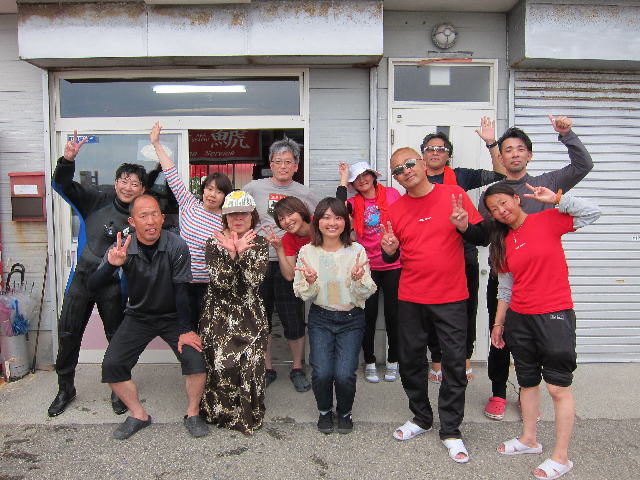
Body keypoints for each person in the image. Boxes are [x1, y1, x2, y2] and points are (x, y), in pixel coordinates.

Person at [456, 183, 600, 480]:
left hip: (554, 314)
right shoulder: (502, 241)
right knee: (528, 382)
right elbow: (506, 288)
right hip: (520, 319)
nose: (501, 211)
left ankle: (561, 457)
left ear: (516, 198)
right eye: (494, 209)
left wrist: (558, 199)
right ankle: (529, 440)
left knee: (557, 387)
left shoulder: (547, 220)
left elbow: (592, 213)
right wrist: (499, 324)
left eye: (503, 203)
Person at [475, 115, 594, 422]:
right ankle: (498, 392)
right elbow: (484, 234)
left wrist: (567, 134)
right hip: (505, 275)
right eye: (507, 150)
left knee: (538, 340)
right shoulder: (493, 193)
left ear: (529, 154)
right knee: (499, 334)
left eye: (520, 149)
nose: (514, 154)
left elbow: (583, 165)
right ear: (500, 157)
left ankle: (527, 392)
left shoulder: (547, 183)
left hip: (541, 279)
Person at [380, 147, 483, 463]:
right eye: (398, 170)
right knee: (411, 361)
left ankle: (451, 429)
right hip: (411, 297)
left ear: (424, 164)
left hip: (451, 297)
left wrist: (465, 226)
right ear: (396, 179)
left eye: (410, 163)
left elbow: (483, 236)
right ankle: (421, 417)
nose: (405, 171)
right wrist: (388, 251)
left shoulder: (454, 195)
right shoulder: (395, 210)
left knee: (454, 363)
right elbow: (391, 253)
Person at [90, 195, 209, 440]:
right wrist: (112, 265)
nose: (150, 220)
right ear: (132, 221)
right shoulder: (122, 247)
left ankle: (193, 413)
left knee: (196, 361)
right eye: (143, 216)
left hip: (173, 316)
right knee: (112, 365)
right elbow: (93, 285)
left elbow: (182, 290)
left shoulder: (176, 245)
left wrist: (186, 329)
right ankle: (138, 414)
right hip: (138, 316)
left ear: (163, 218)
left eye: (155, 214)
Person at [48, 131, 146, 417]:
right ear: (116, 183)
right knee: (68, 334)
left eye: (135, 183)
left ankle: (119, 388)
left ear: (142, 189)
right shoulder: (95, 200)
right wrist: (67, 160)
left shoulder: (140, 216)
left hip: (113, 285)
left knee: (116, 337)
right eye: (124, 181)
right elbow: (60, 184)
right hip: (81, 280)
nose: (128, 187)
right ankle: (65, 388)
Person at [421, 118, 505, 383]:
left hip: (463, 252)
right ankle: (437, 359)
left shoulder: (460, 176)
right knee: (431, 310)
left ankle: (465, 357)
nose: (436, 152)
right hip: (430, 254)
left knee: (467, 308)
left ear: (448, 155)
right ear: (423, 155)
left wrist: (491, 143)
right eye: (430, 148)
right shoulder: (416, 177)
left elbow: (500, 174)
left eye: (441, 149)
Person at [293, 197, 376, 435]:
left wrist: (358, 279)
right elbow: (302, 293)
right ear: (317, 222)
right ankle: (324, 411)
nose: (332, 223)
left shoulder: (357, 250)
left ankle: (345, 412)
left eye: (338, 217)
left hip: (351, 319)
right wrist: (310, 281)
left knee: (344, 373)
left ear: (346, 222)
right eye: (326, 217)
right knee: (321, 372)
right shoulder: (307, 251)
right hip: (321, 317)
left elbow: (366, 292)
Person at [244, 138, 318, 392]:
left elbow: (317, 222)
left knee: (293, 318)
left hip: (290, 263)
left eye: (288, 162)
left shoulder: (304, 193)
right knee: (261, 318)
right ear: (271, 164)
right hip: (259, 262)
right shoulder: (254, 188)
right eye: (278, 161)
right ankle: (267, 368)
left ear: (296, 166)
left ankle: (297, 367)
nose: (283, 166)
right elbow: (236, 214)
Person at [150, 122, 232, 335]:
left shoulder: (226, 221)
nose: (212, 195)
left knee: (208, 333)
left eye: (219, 192)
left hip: (210, 286)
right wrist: (156, 144)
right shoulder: (189, 205)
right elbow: (172, 174)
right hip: (182, 282)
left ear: (225, 196)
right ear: (203, 189)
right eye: (210, 189)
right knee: (186, 332)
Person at [199, 191, 269, 434]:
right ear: (225, 217)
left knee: (252, 365)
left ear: (252, 216)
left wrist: (242, 253)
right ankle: (222, 413)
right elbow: (221, 283)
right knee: (222, 364)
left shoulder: (260, 242)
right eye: (232, 214)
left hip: (250, 313)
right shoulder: (214, 242)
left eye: (243, 214)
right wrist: (230, 254)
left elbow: (254, 280)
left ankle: (249, 414)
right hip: (219, 313)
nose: (238, 218)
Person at [337, 161, 402, 383]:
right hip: (367, 266)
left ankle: (394, 360)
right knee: (368, 317)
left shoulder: (392, 194)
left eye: (365, 175)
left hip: (394, 264)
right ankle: (370, 361)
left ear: (373, 176)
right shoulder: (353, 203)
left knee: (394, 316)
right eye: (356, 178)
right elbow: (338, 208)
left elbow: (404, 219)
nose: (362, 180)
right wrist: (343, 179)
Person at [263, 196, 314, 282]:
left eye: (290, 214)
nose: (287, 221)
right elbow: (290, 276)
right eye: (281, 219)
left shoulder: (320, 223)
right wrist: (279, 249)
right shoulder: (287, 239)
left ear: (301, 212)